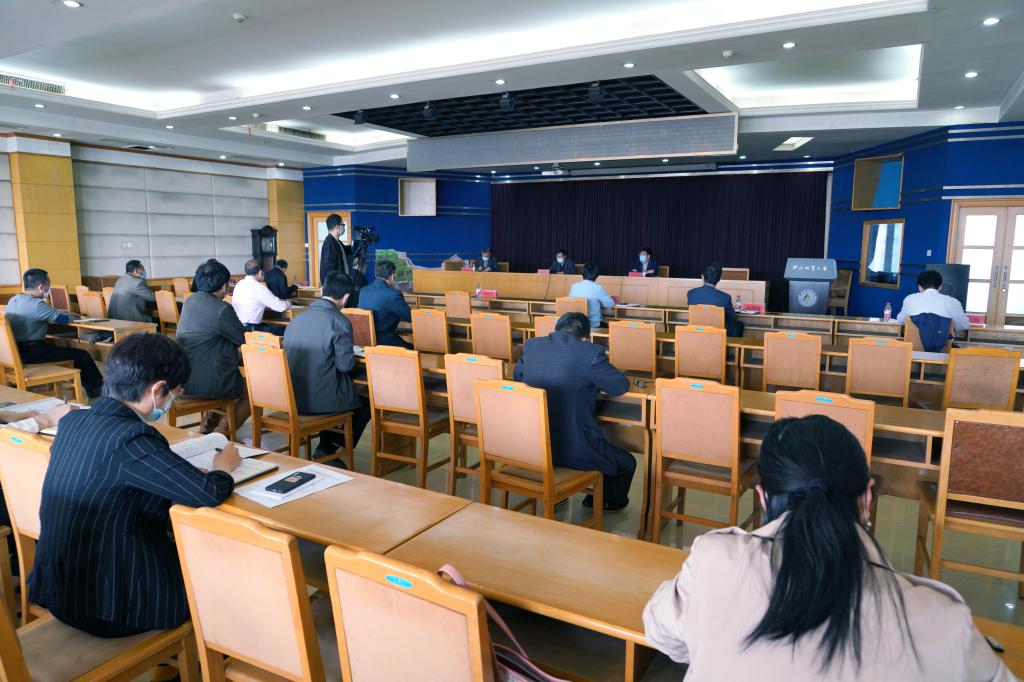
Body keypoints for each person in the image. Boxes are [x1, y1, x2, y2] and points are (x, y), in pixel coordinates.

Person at [643, 415, 1014, 682]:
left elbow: (660, 631)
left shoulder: (713, 561)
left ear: (762, 496)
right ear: (867, 499)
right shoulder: (942, 620)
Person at [28, 333, 241, 638]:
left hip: (62, 591)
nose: (174, 399)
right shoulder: (133, 437)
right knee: (225, 569)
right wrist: (223, 467)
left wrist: (173, 471)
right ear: (157, 389)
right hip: (110, 607)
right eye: (176, 392)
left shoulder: (74, 422)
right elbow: (208, 492)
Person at [514, 312, 636, 512]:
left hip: (534, 446)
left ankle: (558, 494)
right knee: (627, 463)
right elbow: (619, 386)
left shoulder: (532, 346)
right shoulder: (590, 353)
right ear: (586, 337)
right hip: (573, 448)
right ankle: (599, 503)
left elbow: (518, 377)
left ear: (556, 330)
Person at [284, 271, 370, 462]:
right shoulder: (339, 321)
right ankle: (328, 448)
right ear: (345, 297)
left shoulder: (297, 319)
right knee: (365, 404)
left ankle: (326, 446)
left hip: (292, 397)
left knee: (332, 384)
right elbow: (345, 365)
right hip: (320, 400)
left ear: (322, 289)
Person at [175, 260, 250, 433]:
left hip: (185, 378)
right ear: (223, 286)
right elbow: (244, 339)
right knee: (255, 392)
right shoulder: (222, 309)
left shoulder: (189, 301)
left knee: (224, 375)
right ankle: (220, 435)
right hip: (209, 380)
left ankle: (206, 431)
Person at [4, 268, 104, 398]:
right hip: (33, 352)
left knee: (65, 350)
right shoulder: (38, 304)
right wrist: (70, 316)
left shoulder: (14, 300)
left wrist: (57, 312)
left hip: (15, 352)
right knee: (82, 355)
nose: (48, 289)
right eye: (48, 286)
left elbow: (44, 313)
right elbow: (62, 319)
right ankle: (98, 390)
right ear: (41, 287)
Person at [358, 260, 412, 348]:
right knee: (413, 349)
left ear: (375, 274)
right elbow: (409, 317)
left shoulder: (363, 290)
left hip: (365, 340)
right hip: (384, 341)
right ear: (393, 276)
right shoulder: (394, 294)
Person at [231, 259, 291, 335]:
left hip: (238, 327)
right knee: (289, 329)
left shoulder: (239, 284)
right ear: (261, 273)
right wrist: (289, 302)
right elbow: (281, 307)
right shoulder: (259, 287)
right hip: (251, 329)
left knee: (267, 325)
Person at [897, 270, 971, 332]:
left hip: (913, 344)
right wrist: (947, 326)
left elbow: (901, 320)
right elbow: (965, 325)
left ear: (919, 286)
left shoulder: (910, 299)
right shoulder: (953, 302)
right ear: (940, 286)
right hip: (942, 344)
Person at [688, 263, 745, 338]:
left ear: (702, 276)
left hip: (697, 331)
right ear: (719, 279)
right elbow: (732, 318)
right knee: (739, 325)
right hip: (719, 333)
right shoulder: (725, 297)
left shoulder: (691, 294)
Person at [569, 263, 615, 329]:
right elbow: (610, 304)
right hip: (593, 324)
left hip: (577, 324)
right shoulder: (598, 288)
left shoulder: (574, 286)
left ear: (582, 273)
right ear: (596, 275)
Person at [319, 213, 351, 284]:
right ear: (337, 226)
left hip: (340, 283)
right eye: (342, 225)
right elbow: (329, 269)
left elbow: (346, 251)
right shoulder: (329, 243)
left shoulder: (337, 242)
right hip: (335, 286)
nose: (343, 227)